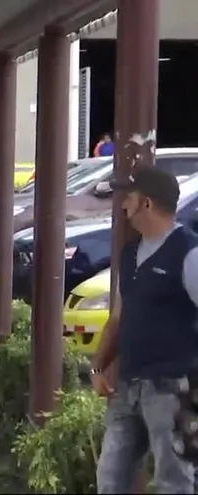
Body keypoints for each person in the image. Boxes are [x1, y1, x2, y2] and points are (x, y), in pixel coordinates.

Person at [91, 167, 198, 493]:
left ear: (147, 203)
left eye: (130, 197)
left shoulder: (189, 253)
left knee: (174, 482)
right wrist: (98, 366)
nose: (123, 204)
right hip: (128, 387)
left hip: (172, 391)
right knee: (110, 477)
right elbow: (118, 317)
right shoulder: (130, 255)